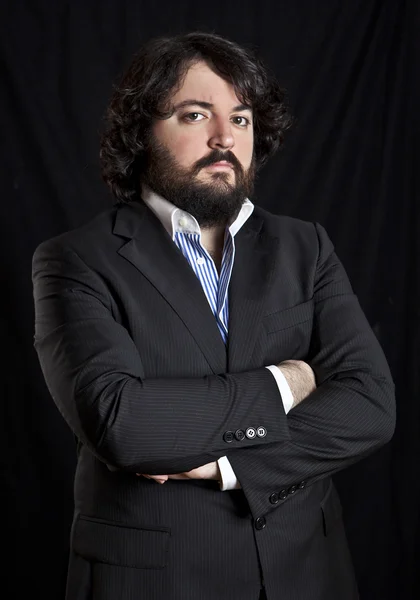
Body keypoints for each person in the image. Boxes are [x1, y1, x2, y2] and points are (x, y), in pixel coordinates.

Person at [32, 32, 396, 600]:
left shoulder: (307, 247)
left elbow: (371, 404)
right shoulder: (75, 260)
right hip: (158, 579)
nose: (226, 138)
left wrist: (222, 466)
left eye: (243, 119)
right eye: (195, 114)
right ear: (142, 133)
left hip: (308, 574)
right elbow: (122, 424)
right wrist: (288, 381)